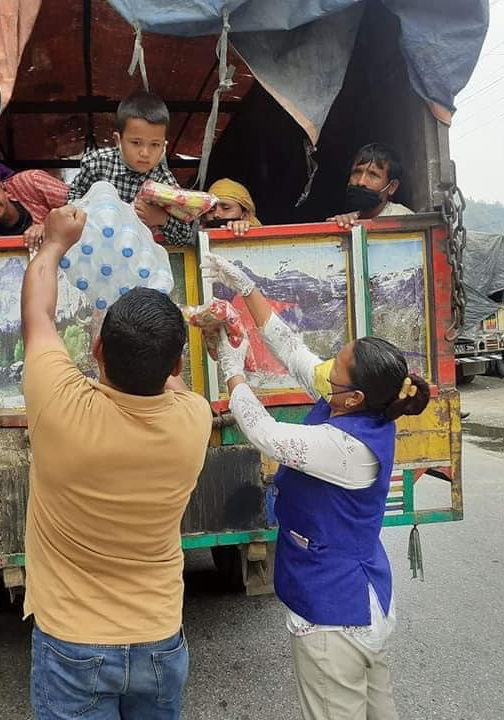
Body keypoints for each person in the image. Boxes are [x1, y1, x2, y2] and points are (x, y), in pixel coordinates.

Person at [202, 253, 431, 720]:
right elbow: (291, 348)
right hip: (360, 600)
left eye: (338, 367)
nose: (326, 368)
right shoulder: (356, 404)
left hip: (336, 615)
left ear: (355, 395)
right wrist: (246, 289)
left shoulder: (348, 446)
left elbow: (266, 434)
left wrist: (232, 368)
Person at [20, 206, 212, 719]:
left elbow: (37, 316)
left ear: (96, 349)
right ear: (176, 364)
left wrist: (55, 244)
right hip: (159, 640)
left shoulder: (59, 408)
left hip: (72, 644)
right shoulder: (194, 422)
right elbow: (173, 385)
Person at [67, 91, 196, 246]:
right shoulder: (98, 162)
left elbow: (186, 237)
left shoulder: (164, 182)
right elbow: (72, 197)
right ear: (117, 140)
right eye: (136, 142)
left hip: (136, 257)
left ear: (164, 146)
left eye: (155, 145)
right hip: (94, 246)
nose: (145, 153)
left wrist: (161, 219)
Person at [329, 143, 413, 230]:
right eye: (357, 172)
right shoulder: (348, 221)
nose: (361, 182)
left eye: (373, 175)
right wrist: (337, 229)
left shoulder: (405, 222)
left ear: (392, 187)